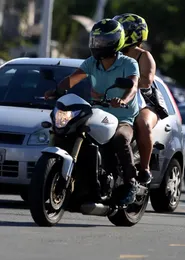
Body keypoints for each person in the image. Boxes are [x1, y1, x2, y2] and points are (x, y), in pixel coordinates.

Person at [45, 19, 140, 205]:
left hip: (123, 117)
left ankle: (131, 184)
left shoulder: (128, 63)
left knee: (121, 139)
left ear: (116, 41)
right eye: (96, 40)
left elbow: (133, 86)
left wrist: (122, 100)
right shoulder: (91, 63)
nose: (98, 45)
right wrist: (57, 90)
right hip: (97, 113)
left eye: (103, 41)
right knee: (70, 132)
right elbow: (72, 79)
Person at [113, 13, 161, 184]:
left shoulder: (144, 56)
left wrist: (124, 82)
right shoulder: (111, 53)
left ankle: (145, 169)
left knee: (143, 123)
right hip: (118, 101)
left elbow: (147, 81)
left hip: (144, 103)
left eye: (120, 31)